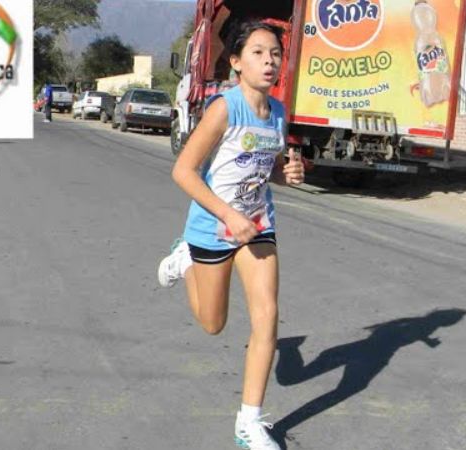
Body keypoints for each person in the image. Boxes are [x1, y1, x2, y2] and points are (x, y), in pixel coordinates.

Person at [157, 21, 305, 450]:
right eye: (258, 53)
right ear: (237, 63)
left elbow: (266, 164)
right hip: (212, 225)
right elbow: (182, 171)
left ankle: (248, 423)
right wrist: (226, 214)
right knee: (213, 324)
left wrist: (287, 171)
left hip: (259, 224)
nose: (270, 61)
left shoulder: (276, 112)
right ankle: (185, 258)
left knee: (267, 316)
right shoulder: (225, 108)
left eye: (275, 53)